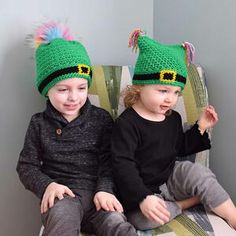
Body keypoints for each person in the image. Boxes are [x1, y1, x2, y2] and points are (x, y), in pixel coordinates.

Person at [16, 22, 137, 236]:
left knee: (117, 223)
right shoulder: (39, 124)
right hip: (63, 198)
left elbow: (110, 162)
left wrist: (105, 189)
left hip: (99, 197)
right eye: (63, 89)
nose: (73, 97)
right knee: (62, 217)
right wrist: (47, 185)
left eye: (81, 88)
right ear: (47, 90)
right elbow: (26, 166)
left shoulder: (101, 119)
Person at [111, 29, 236, 231]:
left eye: (176, 92)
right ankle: (185, 204)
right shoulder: (127, 124)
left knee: (198, 172)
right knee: (143, 221)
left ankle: (233, 216)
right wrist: (143, 197)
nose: (170, 99)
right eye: (163, 91)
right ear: (140, 87)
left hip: (169, 177)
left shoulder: (172, 118)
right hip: (140, 188)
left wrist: (201, 126)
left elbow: (179, 147)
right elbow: (122, 165)